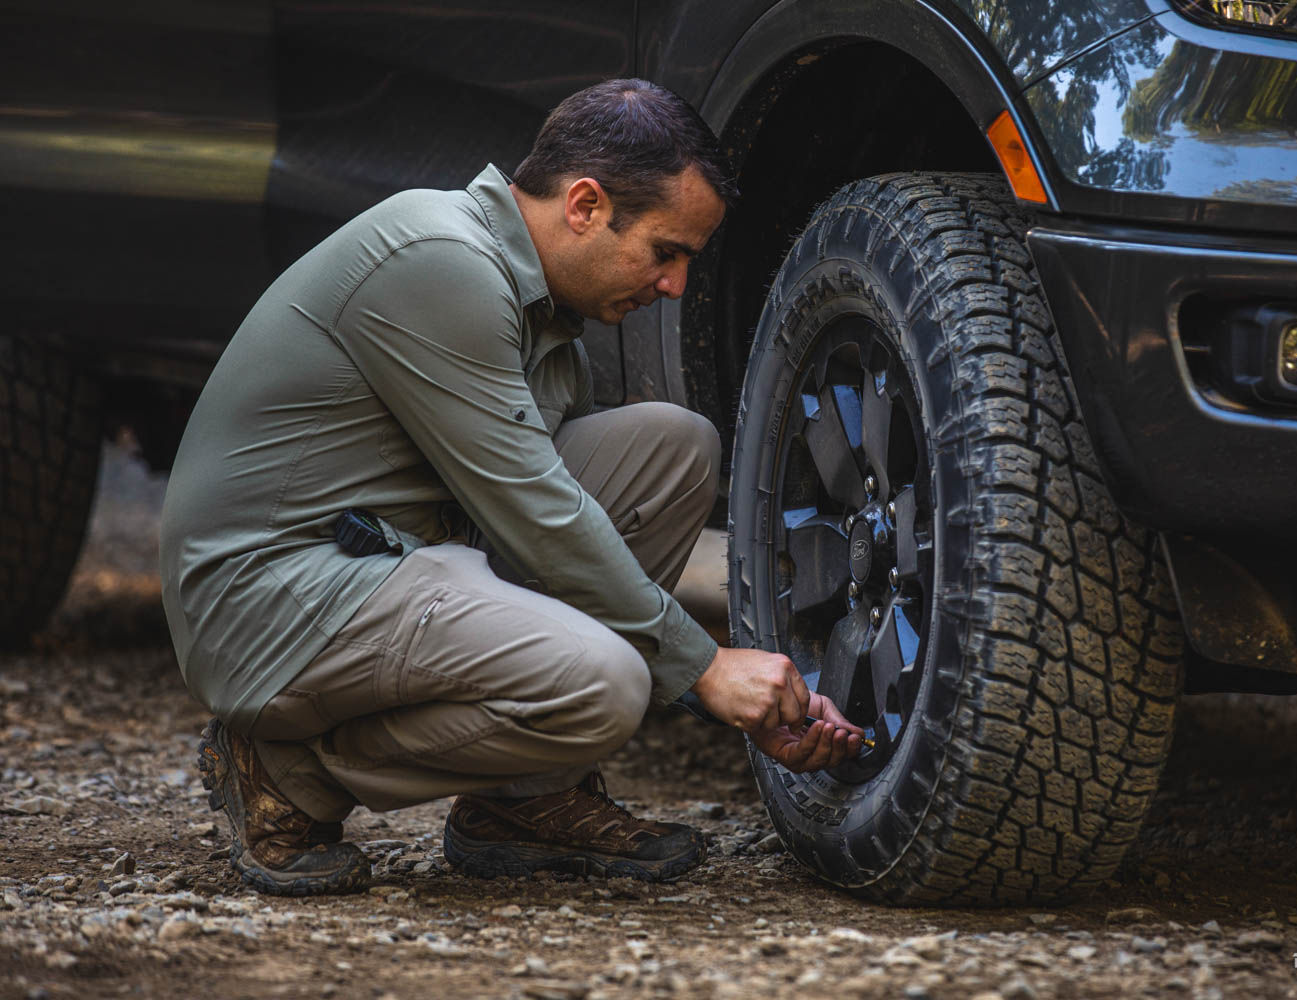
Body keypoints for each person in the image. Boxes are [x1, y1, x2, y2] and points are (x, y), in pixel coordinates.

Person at [159, 79, 864, 897]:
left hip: (390, 555)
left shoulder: (546, 315)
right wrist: (706, 671)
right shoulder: (439, 259)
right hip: (267, 597)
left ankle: (520, 802)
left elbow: (552, 521)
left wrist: (725, 686)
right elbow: (537, 515)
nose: (673, 285)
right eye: (666, 252)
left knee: (674, 448)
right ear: (586, 206)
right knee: (604, 683)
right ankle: (288, 772)